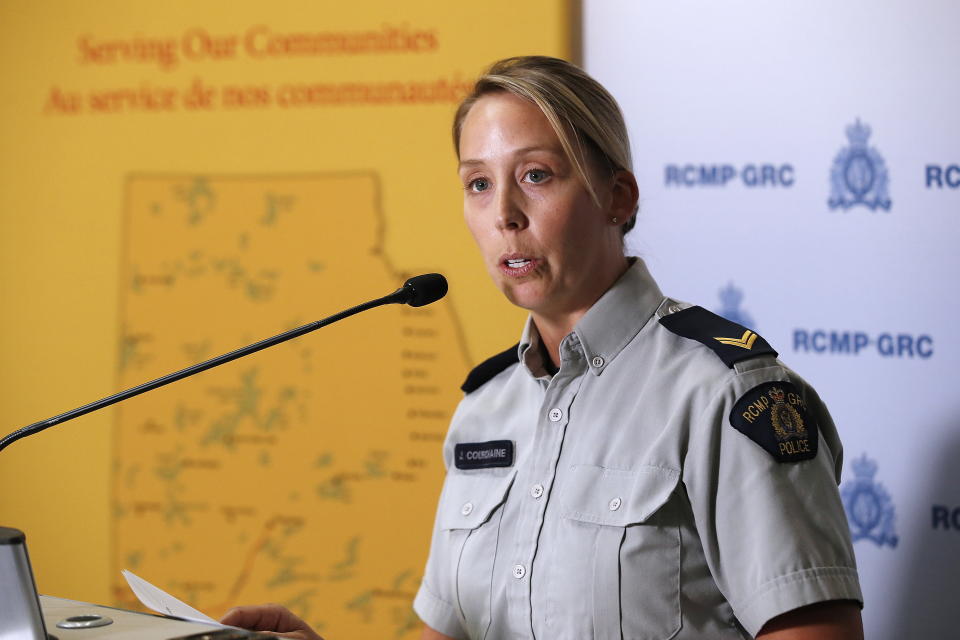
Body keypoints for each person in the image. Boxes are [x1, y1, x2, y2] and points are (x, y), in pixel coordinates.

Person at [222, 56, 864, 639]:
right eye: (478, 183)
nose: (503, 213)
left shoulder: (725, 392)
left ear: (618, 197)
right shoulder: (485, 407)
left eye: (536, 175)